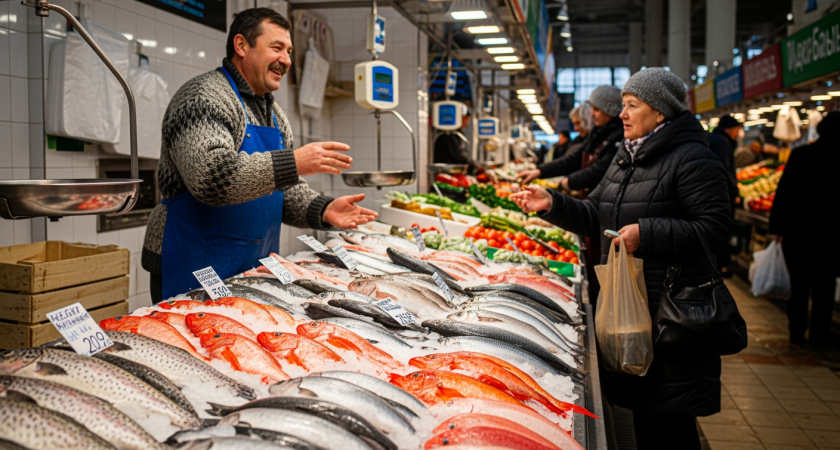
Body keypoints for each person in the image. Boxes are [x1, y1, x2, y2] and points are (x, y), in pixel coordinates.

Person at [510, 68, 731, 450]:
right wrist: (552, 204)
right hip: (636, 310)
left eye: (632, 106)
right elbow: (595, 213)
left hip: (673, 316)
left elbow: (714, 229)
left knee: (671, 429)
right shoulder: (626, 156)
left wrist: (647, 233)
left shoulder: (693, 158)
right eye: (624, 105)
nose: (623, 114)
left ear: (660, 112)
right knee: (646, 420)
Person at [142, 8, 377, 302]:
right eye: (277, 48)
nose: (287, 60)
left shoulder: (274, 114)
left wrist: (323, 209)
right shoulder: (203, 98)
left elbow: (281, 190)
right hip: (193, 259)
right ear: (241, 46)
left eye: (290, 51)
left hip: (251, 263)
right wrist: (294, 162)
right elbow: (212, 178)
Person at [769, 112, 840, 346]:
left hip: (798, 232)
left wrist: (776, 227)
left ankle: (796, 330)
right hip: (831, 236)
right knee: (824, 287)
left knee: (798, 285)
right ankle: (819, 334)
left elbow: (782, 193)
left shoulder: (801, 155)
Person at [517, 86, 624, 192]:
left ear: (611, 109)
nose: (591, 114)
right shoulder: (598, 132)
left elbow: (601, 170)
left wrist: (569, 182)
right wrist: (539, 171)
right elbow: (574, 159)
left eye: (596, 109)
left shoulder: (619, 136)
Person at [708, 114, 742, 276]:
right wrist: (735, 192)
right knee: (721, 230)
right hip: (719, 195)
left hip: (709, 194)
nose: (737, 133)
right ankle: (720, 267)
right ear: (728, 129)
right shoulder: (722, 142)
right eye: (736, 129)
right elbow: (724, 170)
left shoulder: (712, 138)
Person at [433, 104, 479, 172]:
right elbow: (460, 158)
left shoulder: (456, 134)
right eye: (464, 119)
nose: (466, 122)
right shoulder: (448, 136)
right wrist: (475, 166)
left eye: (468, 120)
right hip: (447, 174)